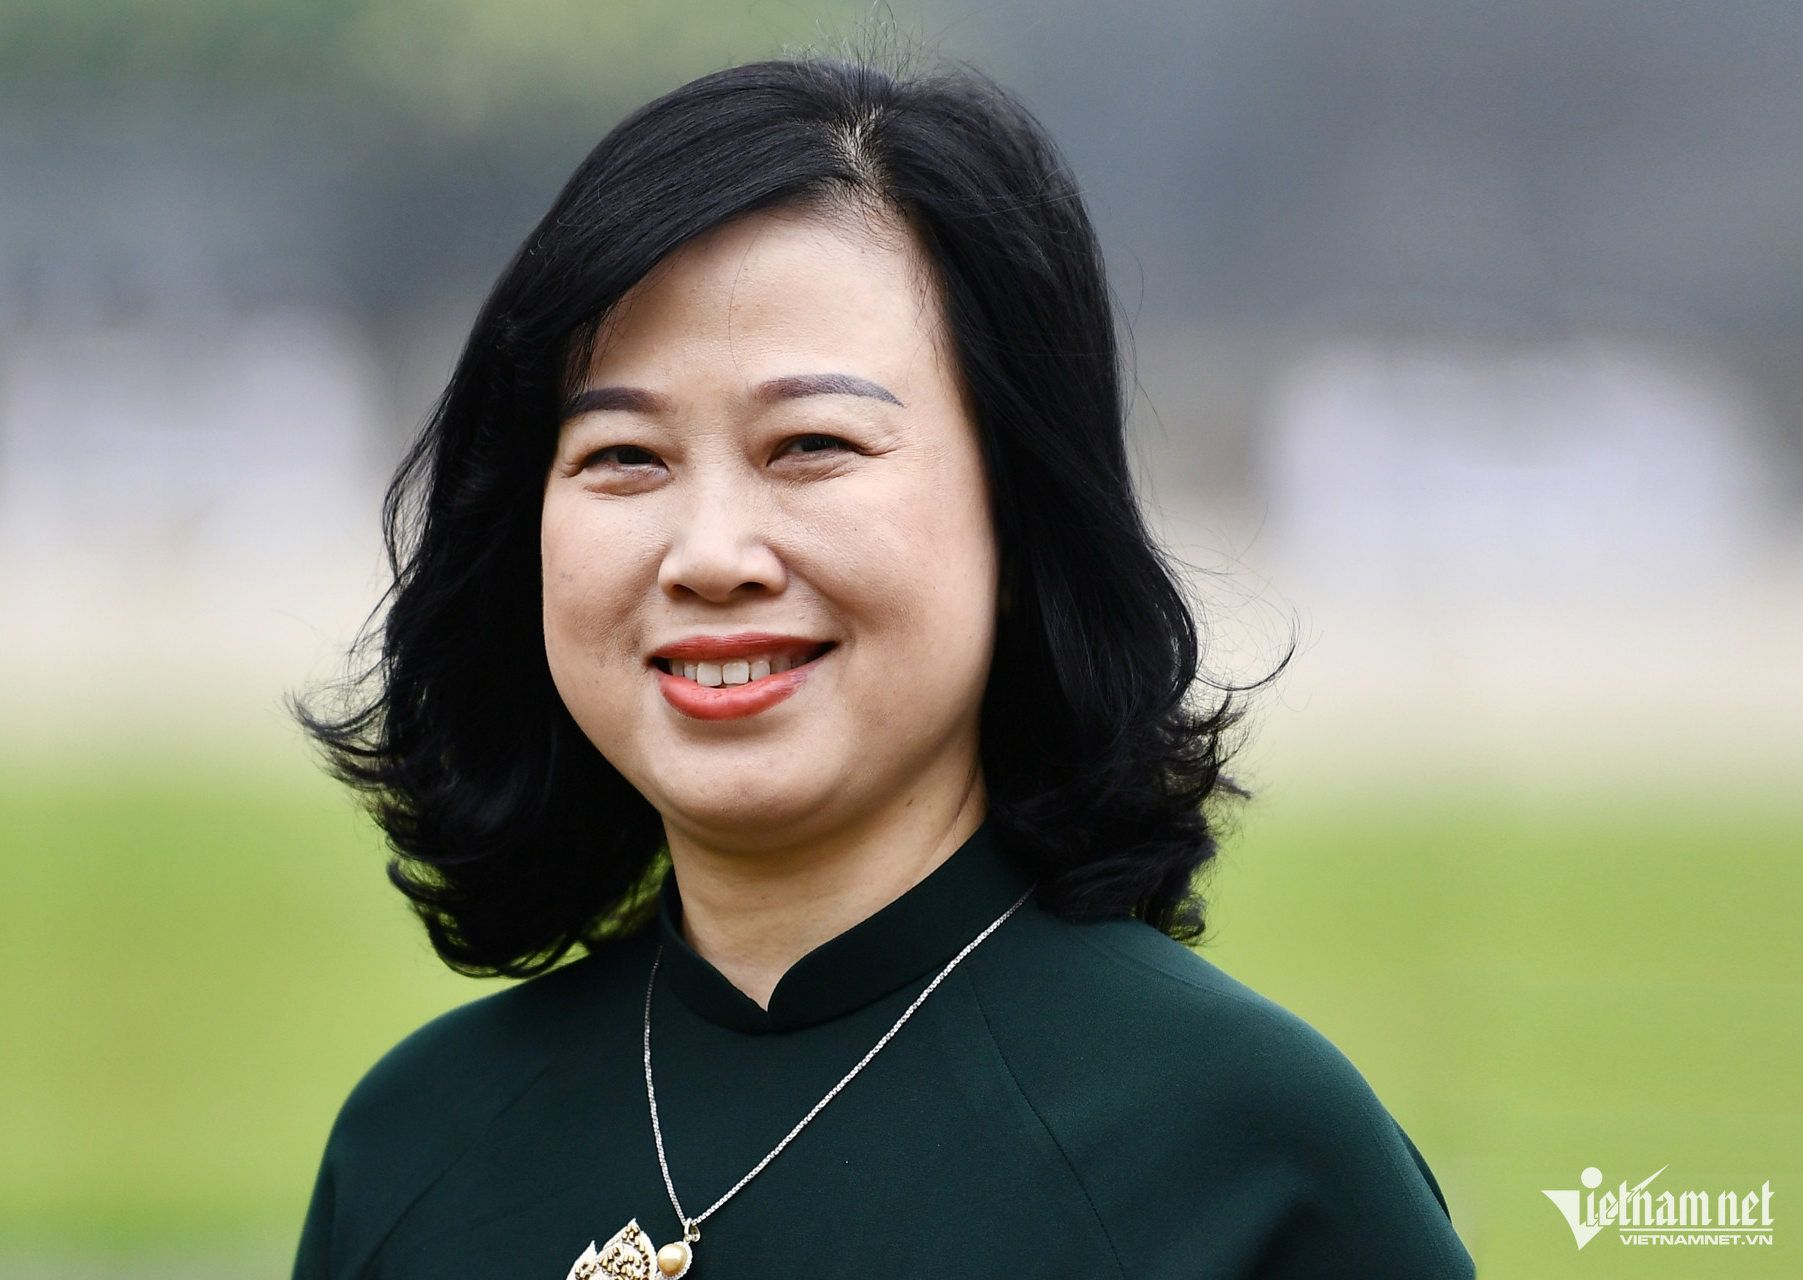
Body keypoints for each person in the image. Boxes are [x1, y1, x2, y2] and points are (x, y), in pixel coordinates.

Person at [292, 58, 1474, 1280]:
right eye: (624, 455)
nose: (710, 555)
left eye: (810, 443)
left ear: (1018, 512)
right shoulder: (414, 1145)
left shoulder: (1247, 1153)